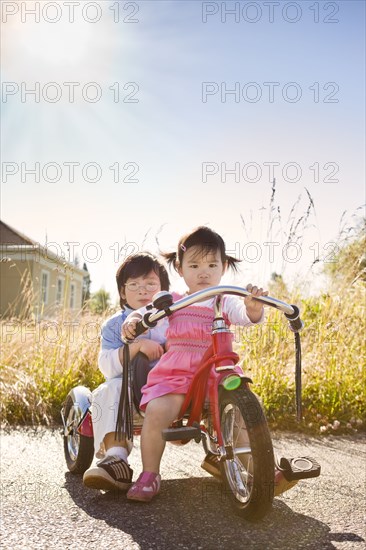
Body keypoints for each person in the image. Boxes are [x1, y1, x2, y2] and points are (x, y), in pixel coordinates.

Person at [122, 226, 269, 502]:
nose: (204, 272)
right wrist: (134, 322)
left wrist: (253, 308)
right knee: (157, 412)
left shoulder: (226, 300)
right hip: (177, 373)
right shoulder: (173, 301)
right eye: (195, 265)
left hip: (217, 370)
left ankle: (255, 468)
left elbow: (244, 315)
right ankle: (150, 474)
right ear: (180, 268)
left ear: (224, 267)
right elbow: (147, 312)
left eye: (212, 264)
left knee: (244, 410)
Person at [82, 252, 170, 492]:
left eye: (150, 284)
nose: (143, 291)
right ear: (122, 292)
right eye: (134, 285)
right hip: (130, 391)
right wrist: (136, 346)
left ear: (163, 289)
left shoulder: (173, 321)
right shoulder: (115, 324)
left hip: (169, 387)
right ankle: (117, 458)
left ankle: (224, 447)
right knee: (111, 387)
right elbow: (107, 366)